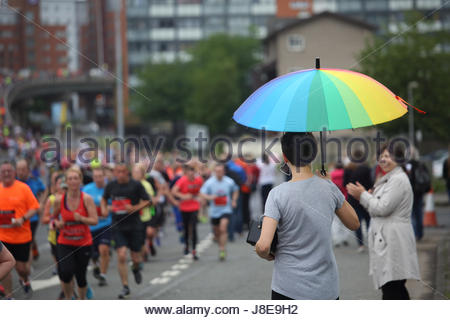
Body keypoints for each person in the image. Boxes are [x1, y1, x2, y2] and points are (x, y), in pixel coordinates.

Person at [256, 132, 359, 300]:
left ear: (285, 157)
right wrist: (330, 184)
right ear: (313, 154)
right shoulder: (329, 188)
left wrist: (263, 253)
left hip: (288, 288)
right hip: (327, 288)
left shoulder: (277, 194)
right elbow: (354, 223)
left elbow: (263, 246)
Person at [347, 143, 420, 299]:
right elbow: (379, 206)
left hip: (393, 240)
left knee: (392, 289)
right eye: (381, 157)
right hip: (388, 239)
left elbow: (381, 208)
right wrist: (367, 195)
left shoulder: (397, 180)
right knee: (394, 289)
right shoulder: (389, 178)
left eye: (388, 156)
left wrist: (363, 195)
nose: (384, 160)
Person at [101, 163, 151, 299]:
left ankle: (135, 268)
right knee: (121, 255)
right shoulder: (111, 186)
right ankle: (125, 286)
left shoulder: (136, 185)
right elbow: (104, 199)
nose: (120, 174)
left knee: (135, 257)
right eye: (118, 172)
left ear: (127, 173)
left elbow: (148, 201)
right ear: (115, 173)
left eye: (123, 172)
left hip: (135, 225)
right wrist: (104, 209)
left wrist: (134, 208)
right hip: (118, 226)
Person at [52, 167, 98, 299]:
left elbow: (94, 220)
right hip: (65, 242)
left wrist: (82, 219)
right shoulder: (59, 200)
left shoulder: (87, 199)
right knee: (65, 273)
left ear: (80, 181)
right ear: (66, 182)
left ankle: (82, 299)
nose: (73, 181)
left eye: (75, 178)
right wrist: (56, 223)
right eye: (70, 179)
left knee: (81, 276)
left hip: (83, 242)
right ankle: (68, 298)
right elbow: (53, 218)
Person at [0, 161, 40, 299]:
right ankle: (9, 296)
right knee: (5, 267)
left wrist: (22, 219)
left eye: (9, 171)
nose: (6, 173)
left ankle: (24, 279)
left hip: (22, 236)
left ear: (14, 173)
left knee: (22, 269)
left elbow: (35, 208)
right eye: (3, 171)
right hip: (3, 237)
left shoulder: (23, 188)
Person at [200, 163, 239, 261]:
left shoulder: (229, 181)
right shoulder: (209, 182)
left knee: (223, 228)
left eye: (221, 171)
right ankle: (218, 239)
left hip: (226, 209)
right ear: (214, 172)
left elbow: (236, 190)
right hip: (214, 211)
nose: (219, 173)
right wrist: (210, 197)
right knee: (216, 231)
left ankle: (222, 249)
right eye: (217, 171)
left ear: (224, 172)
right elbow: (201, 193)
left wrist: (234, 200)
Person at [82, 167, 111, 286]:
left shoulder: (109, 188)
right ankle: (95, 264)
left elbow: (116, 205)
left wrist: (105, 209)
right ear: (93, 178)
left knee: (104, 249)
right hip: (91, 226)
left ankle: (103, 275)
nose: (98, 179)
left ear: (104, 176)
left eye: (100, 176)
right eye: (96, 177)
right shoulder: (87, 189)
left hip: (106, 224)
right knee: (92, 254)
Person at [172, 163, 203, 260]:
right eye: (189, 171)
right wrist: (183, 196)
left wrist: (200, 198)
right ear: (186, 173)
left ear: (195, 172)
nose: (191, 173)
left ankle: (194, 250)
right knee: (185, 228)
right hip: (184, 207)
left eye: (192, 171)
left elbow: (202, 191)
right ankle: (186, 245)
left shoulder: (198, 180)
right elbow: (174, 191)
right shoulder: (182, 180)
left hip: (194, 207)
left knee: (193, 228)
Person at [16, 159, 46, 261]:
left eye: (23, 169)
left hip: (33, 217)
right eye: (19, 169)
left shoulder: (35, 181)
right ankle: (34, 248)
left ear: (28, 170)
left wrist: (41, 203)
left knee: (28, 240)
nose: (20, 172)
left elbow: (45, 190)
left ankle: (26, 271)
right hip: (17, 217)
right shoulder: (12, 182)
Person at [344, 150, 373, 252]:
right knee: (369, 220)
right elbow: (371, 183)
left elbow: (345, 184)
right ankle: (372, 241)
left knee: (357, 222)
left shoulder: (348, 169)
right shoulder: (367, 169)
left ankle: (360, 244)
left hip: (353, 198)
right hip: (365, 196)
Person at [131, 164, 156, 262]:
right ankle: (143, 254)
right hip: (136, 216)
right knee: (139, 237)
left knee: (149, 233)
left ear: (142, 174)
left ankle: (150, 242)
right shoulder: (130, 185)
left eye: (137, 172)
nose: (135, 174)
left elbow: (150, 201)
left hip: (149, 212)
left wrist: (138, 205)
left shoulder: (146, 185)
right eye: (134, 172)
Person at [406, 150, 431, 241]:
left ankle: (415, 234)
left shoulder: (408, 165)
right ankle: (420, 233)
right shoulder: (421, 164)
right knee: (419, 213)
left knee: (412, 214)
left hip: (411, 192)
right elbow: (427, 176)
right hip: (419, 192)